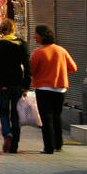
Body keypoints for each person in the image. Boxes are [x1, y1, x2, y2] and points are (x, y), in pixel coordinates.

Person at [30, 25, 77, 154]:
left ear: (42, 36)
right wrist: (59, 70)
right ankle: (58, 144)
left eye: (36, 34)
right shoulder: (61, 50)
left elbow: (32, 70)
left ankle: (48, 146)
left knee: (46, 118)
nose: (34, 36)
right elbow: (73, 67)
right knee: (57, 116)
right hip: (61, 89)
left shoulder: (38, 52)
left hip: (44, 88)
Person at [0, 19, 30, 154]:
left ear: (1, 30)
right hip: (17, 83)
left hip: (3, 85)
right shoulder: (21, 44)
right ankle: (14, 146)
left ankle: (7, 133)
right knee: (16, 115)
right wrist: (26, 85)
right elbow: (27, 66)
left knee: (4, 113)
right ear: (13, 29)